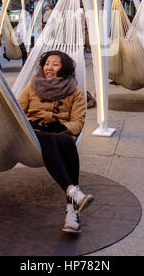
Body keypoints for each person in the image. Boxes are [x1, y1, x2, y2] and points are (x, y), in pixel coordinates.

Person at [17, 50, 93, 234]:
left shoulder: (75, 93)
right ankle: (73, 194)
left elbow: (78, 122)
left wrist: (61, 127)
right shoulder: (32, 87)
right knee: (46, 137)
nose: (49, 67)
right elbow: (17, 112)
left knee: (65, 140)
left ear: (64, 68)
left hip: (61, 133)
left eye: (55, 64)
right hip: (34, 134)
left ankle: (71, 207)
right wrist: (32, 123)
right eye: (47, 63)